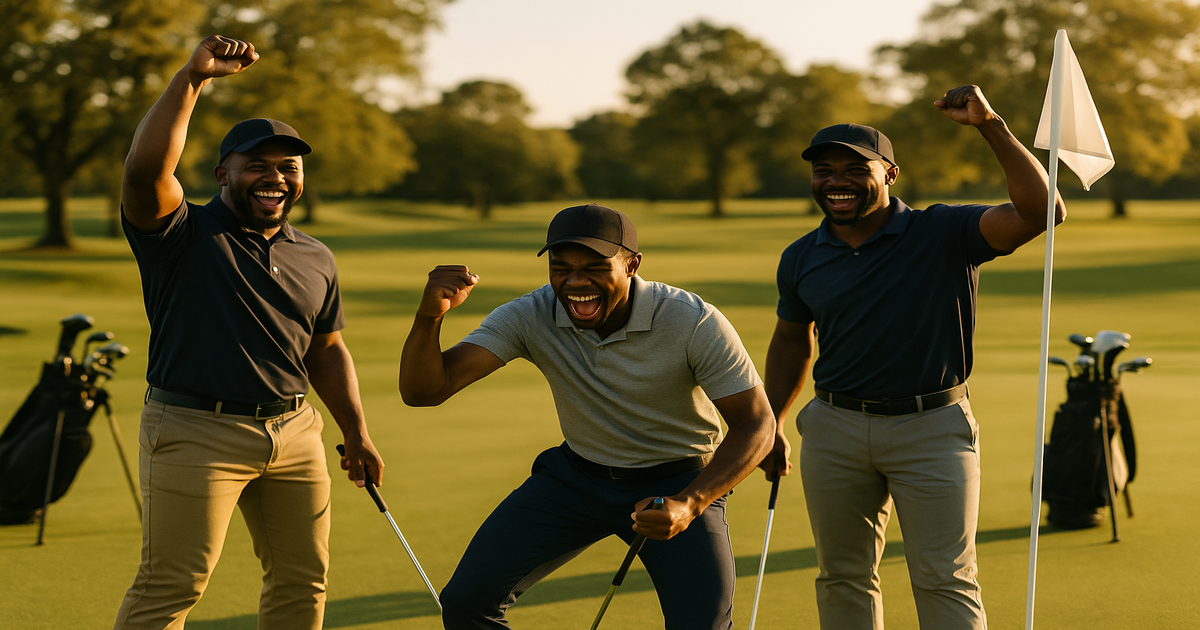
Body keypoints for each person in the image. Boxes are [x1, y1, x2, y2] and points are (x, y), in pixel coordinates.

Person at [763, 85, 1065, 630]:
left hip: (932, 427)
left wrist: (990, 124)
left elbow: (1044, 211)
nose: (836, 183)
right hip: (834, 427)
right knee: (842, 575)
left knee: (944, 577)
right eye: (824, 171)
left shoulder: (944, 231)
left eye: (855, 170)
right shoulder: (802, 255)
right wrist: (772, 422)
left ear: (889, 175)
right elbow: (791, 338)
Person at [113, 35, 384, 630]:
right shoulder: (180, 233)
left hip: (296, 434)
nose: (275, 178)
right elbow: (144, 169)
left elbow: (327, 347)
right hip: (195, 430)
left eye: (287, 167)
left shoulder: (316, 255)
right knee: (172, 585)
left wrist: (356, 432)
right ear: (222, 173)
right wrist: (193, 78)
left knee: (302, 583)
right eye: (256, 165)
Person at [400, 203, 776, 629]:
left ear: (632, 264)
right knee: (468, 601)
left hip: (676, 483)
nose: (575, 282)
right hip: (576, 480)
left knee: (702, 625)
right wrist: (431, 315)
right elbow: (424, 391)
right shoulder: (532, 313)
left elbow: (757, 423)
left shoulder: (692, 320)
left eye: (595, 267)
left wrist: (689, 504)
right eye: (561, 268)